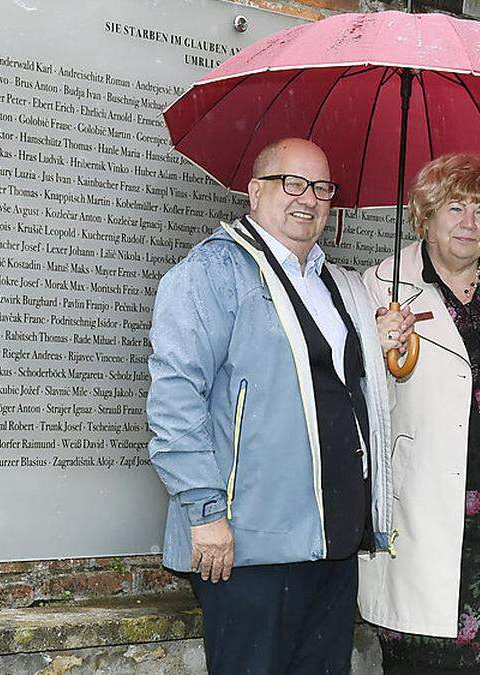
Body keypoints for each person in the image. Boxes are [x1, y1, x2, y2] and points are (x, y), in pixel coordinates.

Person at [146, 137, 414, 674]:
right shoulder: (212, 273)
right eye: (291, 183)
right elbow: (175, 400)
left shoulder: (337, 284)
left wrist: (371, 339)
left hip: (330, 543)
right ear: (253, 191)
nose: (308, 198)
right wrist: (205, 512)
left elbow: (323, 381)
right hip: (248, 547)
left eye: (322, 187)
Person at [358, 154, 480, 675]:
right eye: (454, 207)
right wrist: (376, 352)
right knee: (418, 661)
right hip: (421, 518)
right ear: (424, 215)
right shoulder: (379, 286)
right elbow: (360, 401)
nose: (469, 223)